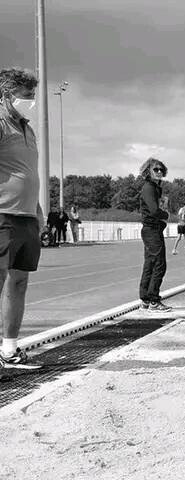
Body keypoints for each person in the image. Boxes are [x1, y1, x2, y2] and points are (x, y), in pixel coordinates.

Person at [0, 67, 43, 369]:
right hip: (2, 214)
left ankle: (9, 351)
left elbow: (27, 172)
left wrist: (38, 209)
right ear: (7, 95)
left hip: (27, 216)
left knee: (19, 283)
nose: (32, 102)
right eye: (27, 96)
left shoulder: (27, 128)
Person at [138, 157, 172, 312]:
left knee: (150, 264)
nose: (159, 172)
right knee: (159, 264)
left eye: (161, 169)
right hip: (151, 229)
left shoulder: (155, 188)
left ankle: (145, 299)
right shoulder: (149, 188)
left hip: (153, 229)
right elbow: (153, 210)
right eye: (155, 169)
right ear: (148, 171)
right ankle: (153, 300)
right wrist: (165, 215)